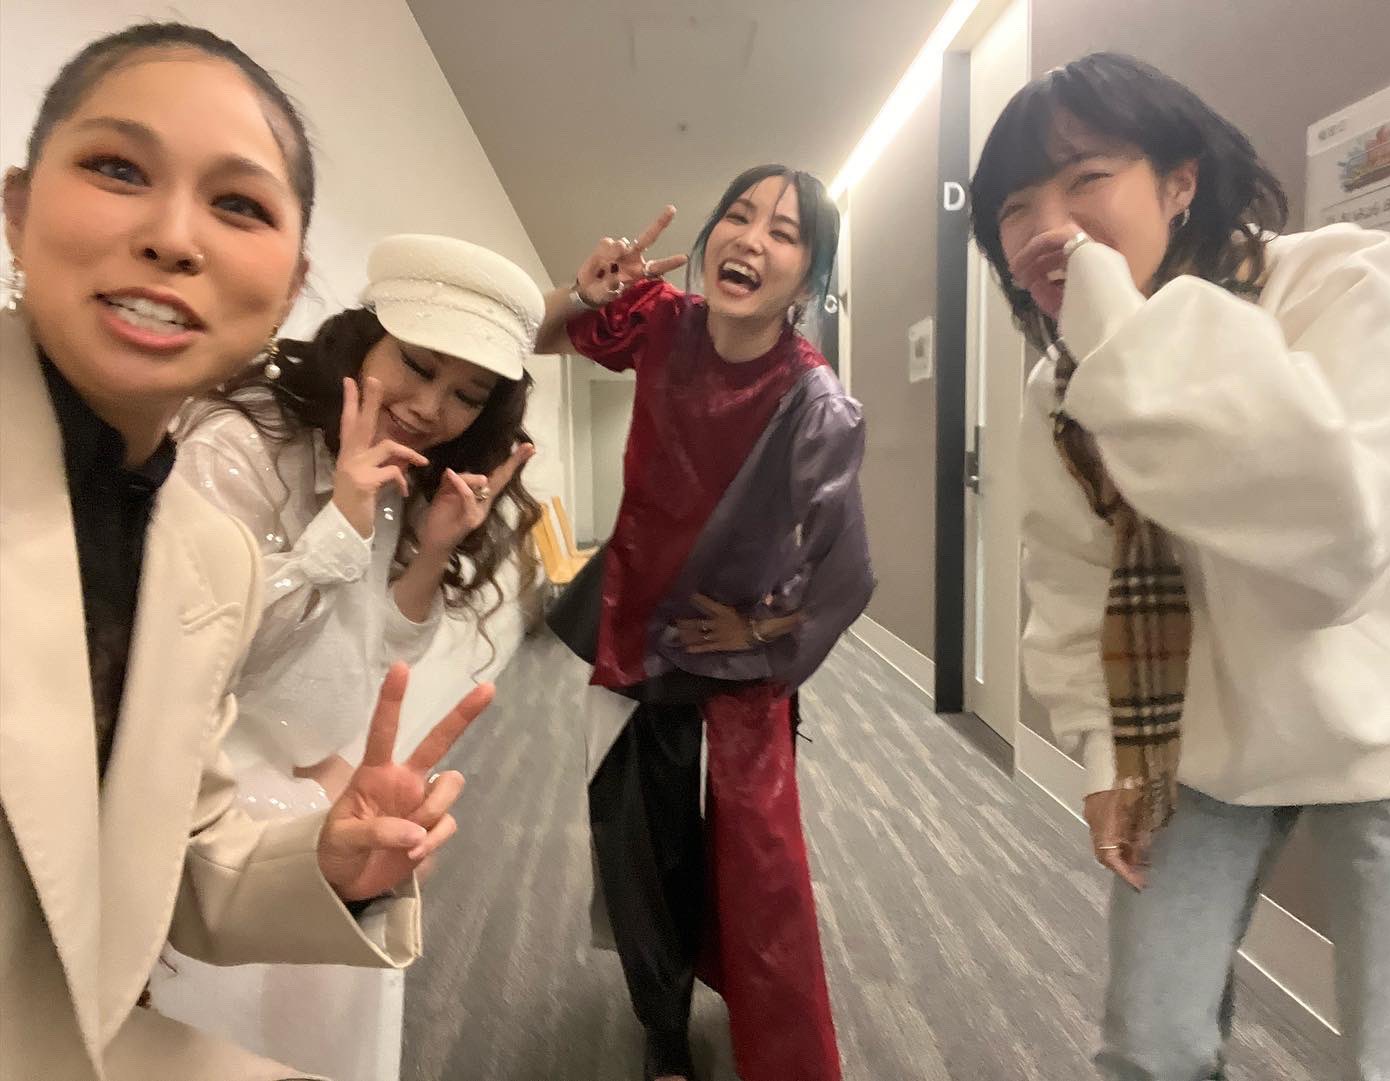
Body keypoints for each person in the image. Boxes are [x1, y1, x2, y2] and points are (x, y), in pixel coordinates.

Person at [0, 23, 488, 1081]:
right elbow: (258, 667)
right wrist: (339, 526)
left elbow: (158, 834)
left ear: (290, 279)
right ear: (18, 208)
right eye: (117, 168)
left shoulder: (191, 532)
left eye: (238, 205)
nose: (175, 237)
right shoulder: (240, 444)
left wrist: (330, 860)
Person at [969, 52, 1390, 1081]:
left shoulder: (1338, 279)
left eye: (1087, 178)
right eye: (1015, 207)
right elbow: (1073, 582)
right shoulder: (1059, 388)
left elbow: (1340, 548)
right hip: (1194, 742)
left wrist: (1124, 340)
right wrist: (1104, 757)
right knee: (1150, 1044)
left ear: (1179, 182)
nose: (1049, 225)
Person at [146, 236, 543, 1080]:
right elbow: (197, 652)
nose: (430, 407)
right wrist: (343, 524)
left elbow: (377, 645)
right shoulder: (241, 441)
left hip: (310, 775)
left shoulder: (394, 463)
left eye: (467, 395)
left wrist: (434, 548)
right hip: (207, 790)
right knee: (225, 1036)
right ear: (365, 336)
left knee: (329, 1017)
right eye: (418, 364)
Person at [533, 165, 875, 1081]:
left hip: (736, 662)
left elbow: (845, 567)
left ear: (807, 278)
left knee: (754, 865)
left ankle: (753, 1017)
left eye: (785, 232)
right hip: (632, 633)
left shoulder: (813, 399)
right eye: (740, 215)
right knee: (640, 851)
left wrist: (766, 634)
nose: (752, 239)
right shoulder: (663, 322)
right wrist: (582, 292)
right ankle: (663, 1029)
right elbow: (534, 335)